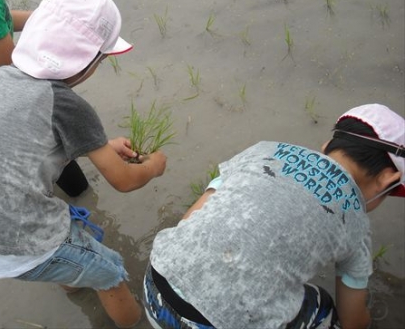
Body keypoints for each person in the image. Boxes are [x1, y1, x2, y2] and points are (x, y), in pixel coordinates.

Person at [0, 0, 168, 328]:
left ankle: (71, 279)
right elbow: (124, 181)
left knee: (73, 251)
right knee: (109, 272)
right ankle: (132, 323)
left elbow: (30, 149)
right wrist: (155, 166)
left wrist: (104, 146)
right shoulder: (66, 103)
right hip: (20, 240)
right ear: (91, 61)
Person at [143, 103, 404, 329]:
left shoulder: (264, 150)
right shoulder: (356, 223)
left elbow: (191, 218)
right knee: (320, 305)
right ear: (386, 180)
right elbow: (353, 320)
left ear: (327, 146)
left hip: (155, 286)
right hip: (210, 324)